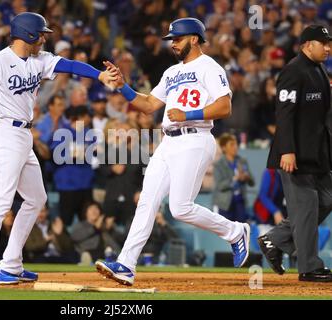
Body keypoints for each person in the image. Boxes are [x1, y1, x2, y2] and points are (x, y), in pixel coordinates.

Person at [96, 18, 250, 286]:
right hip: (168, 142)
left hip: (196, 138)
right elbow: (148, 104)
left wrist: (188, 114)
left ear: (193, 38)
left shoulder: (209, 67)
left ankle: (235, 231)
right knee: (146, 201)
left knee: (180, 208)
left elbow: (225, 107)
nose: (173, 44)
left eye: (177, 39)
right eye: (171, 40)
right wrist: (123, 86)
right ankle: (126, 264)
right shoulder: (171, 72)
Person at [0, 12, 116, 284]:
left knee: (36, 198)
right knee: (1, 199)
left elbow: (71, 65)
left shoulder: (39, 60)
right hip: (2, 132)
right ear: (29, 34)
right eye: (42, 33)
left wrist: (99, 76)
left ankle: (11, 263)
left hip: (24, 134)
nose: (45, 37)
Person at [259, 25, 332, 282]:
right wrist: (287, 150)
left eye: (329, 43)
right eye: (323, 43)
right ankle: (309, 267)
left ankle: (274, 238)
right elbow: (284, 114)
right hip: (295, 155)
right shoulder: (293, 71)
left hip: (317, 154)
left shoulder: (319, 70)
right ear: (306, 44)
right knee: (307, 206)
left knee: (325, 200)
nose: (328, 47)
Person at [212, 133, 254, 223]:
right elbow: (220, 185)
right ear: (223, 148)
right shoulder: (218, 164)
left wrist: (246, 177)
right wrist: (235, 179)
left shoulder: (242, 161)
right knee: (227, 234)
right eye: (231, 144)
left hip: (240, 203)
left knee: (242, 231)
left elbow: (252, 182)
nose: (235, 147)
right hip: (225, 204)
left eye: (236, 144)